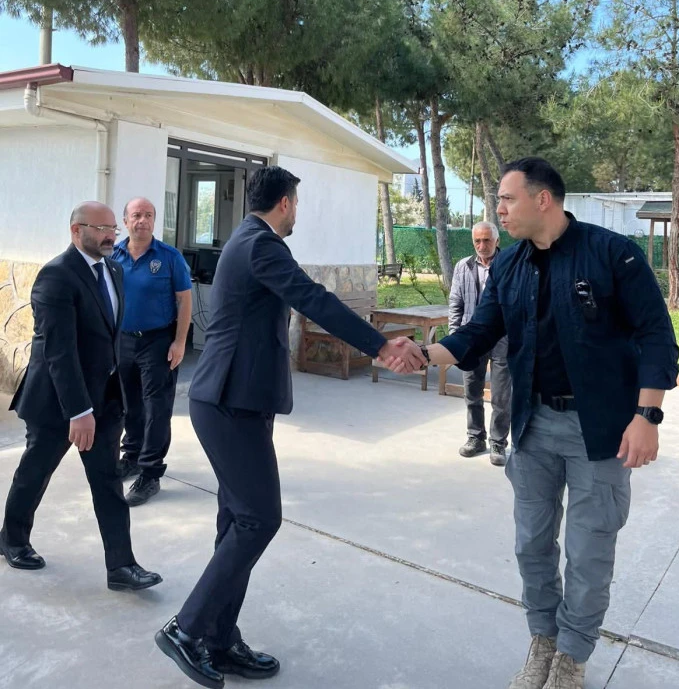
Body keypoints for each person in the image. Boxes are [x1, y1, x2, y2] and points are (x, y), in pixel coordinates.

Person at [386, 157, 678, 689]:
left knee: (589, 551)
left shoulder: (613, 254)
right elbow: (479, 331)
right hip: (531, 424)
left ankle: (572, 656)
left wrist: (647, 416)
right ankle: (543, 640)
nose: (498, 209)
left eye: (507, 198)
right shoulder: (510, 265)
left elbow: (657, 336)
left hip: (601, 431)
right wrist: (425, 354)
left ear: (542, 199)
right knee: (532, 545)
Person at [154, 166, 426, 689]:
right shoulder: (261, 244)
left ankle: (219, 638)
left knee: (236, 522)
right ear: (284, 202)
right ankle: (186, 629)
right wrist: (379, 344)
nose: (297, 211)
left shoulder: (247, 240)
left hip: (237, 401)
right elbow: (312, 296)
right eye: (296, 202)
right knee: (259, 519)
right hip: (229, 403)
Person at [0, 202, 163, 592]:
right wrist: (79, 411)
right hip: (57, 402)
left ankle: (121, 567)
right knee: (35, 473)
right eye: (101, 228)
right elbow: (59, 352)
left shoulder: (113, 270)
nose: (111, 236)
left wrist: (110, 396)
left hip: (103, 400)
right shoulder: (56, 276)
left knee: (108, 481)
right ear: (76, 230)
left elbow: (108, 336)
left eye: (113, 229)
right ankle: (12, 539)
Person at [112, 197, 193, 507]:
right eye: (136, 215)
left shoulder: (169, 257)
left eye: (148, 215)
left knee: (156, 407)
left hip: (158, 341)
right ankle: (132, 456)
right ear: (125, 221)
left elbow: (184, 301)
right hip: (123, 340)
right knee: (129, 403)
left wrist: (180, 342)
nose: (142, 220)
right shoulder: (113, 255)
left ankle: (150, 473)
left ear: (154, 221)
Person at [449, 221, 512, 466]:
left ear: (497, 241)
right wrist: (455, 336)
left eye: (487, 240)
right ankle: (475, 437)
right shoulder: (463, 266)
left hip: (503, 337)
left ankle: (498, 442)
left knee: (501, 394)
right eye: (477, 240)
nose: (482, 245)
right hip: (471, 337)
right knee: (471, 390)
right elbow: (456, 302)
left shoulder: (510, 265)